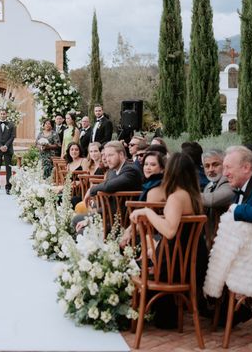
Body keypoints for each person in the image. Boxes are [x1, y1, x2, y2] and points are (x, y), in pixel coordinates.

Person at [129, 152, 208, 329]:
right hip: (194, 259)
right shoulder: (194, 195)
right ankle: (165, 315)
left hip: (174, 264)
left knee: (134, 266)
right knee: (147, 254)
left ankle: (138, 315)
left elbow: (170, 231)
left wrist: (147, 212)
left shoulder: (176, 198)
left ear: (171, 172)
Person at [83, 140, 143, 206]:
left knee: (78, 215)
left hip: (127, 213)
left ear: (121, 154)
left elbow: (109, 185)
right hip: (109, 211)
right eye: (106, 156)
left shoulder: (131, 170)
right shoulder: (112, 171)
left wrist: (92, 189)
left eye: (110, 155)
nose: (107, 159)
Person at [201, 149, 235, 245]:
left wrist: (188, 194)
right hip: (211, 239)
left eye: (215, 164)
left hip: (227, 242)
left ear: (225, 165)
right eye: (207, 166)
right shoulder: (208, 186)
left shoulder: (229, 181)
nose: (211, 169)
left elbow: (212, 200)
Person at [0, 109, 15, 195]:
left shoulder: (11, 125)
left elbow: (12, 136)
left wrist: (6, 146)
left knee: (8, 169)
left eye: (4, 114)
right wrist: (0, 146)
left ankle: (8, 187)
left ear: (6, 115)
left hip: (8, 149)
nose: (2, 115)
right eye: (1, 114)